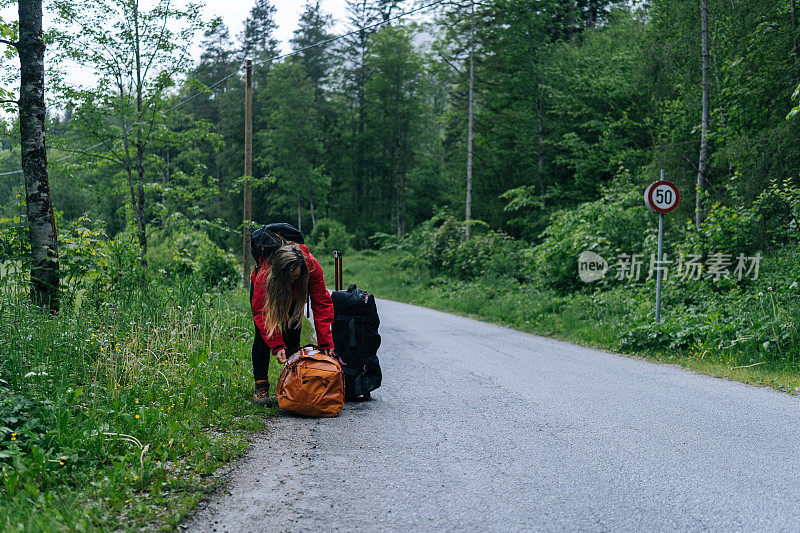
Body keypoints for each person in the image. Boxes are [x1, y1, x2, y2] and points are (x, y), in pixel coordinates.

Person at [250, 232, 335, 406]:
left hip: (296, 294)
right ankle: (261, 385)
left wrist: (326, 342)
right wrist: (276, 345)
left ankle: (293, 381)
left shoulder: (311, 267)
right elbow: (262, 313)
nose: (292, 280)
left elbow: (321, 304)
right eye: (288, 277)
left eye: (295, 276)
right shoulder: (265, 275)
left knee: (293, 329)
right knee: (262, 336)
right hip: (271, 292)